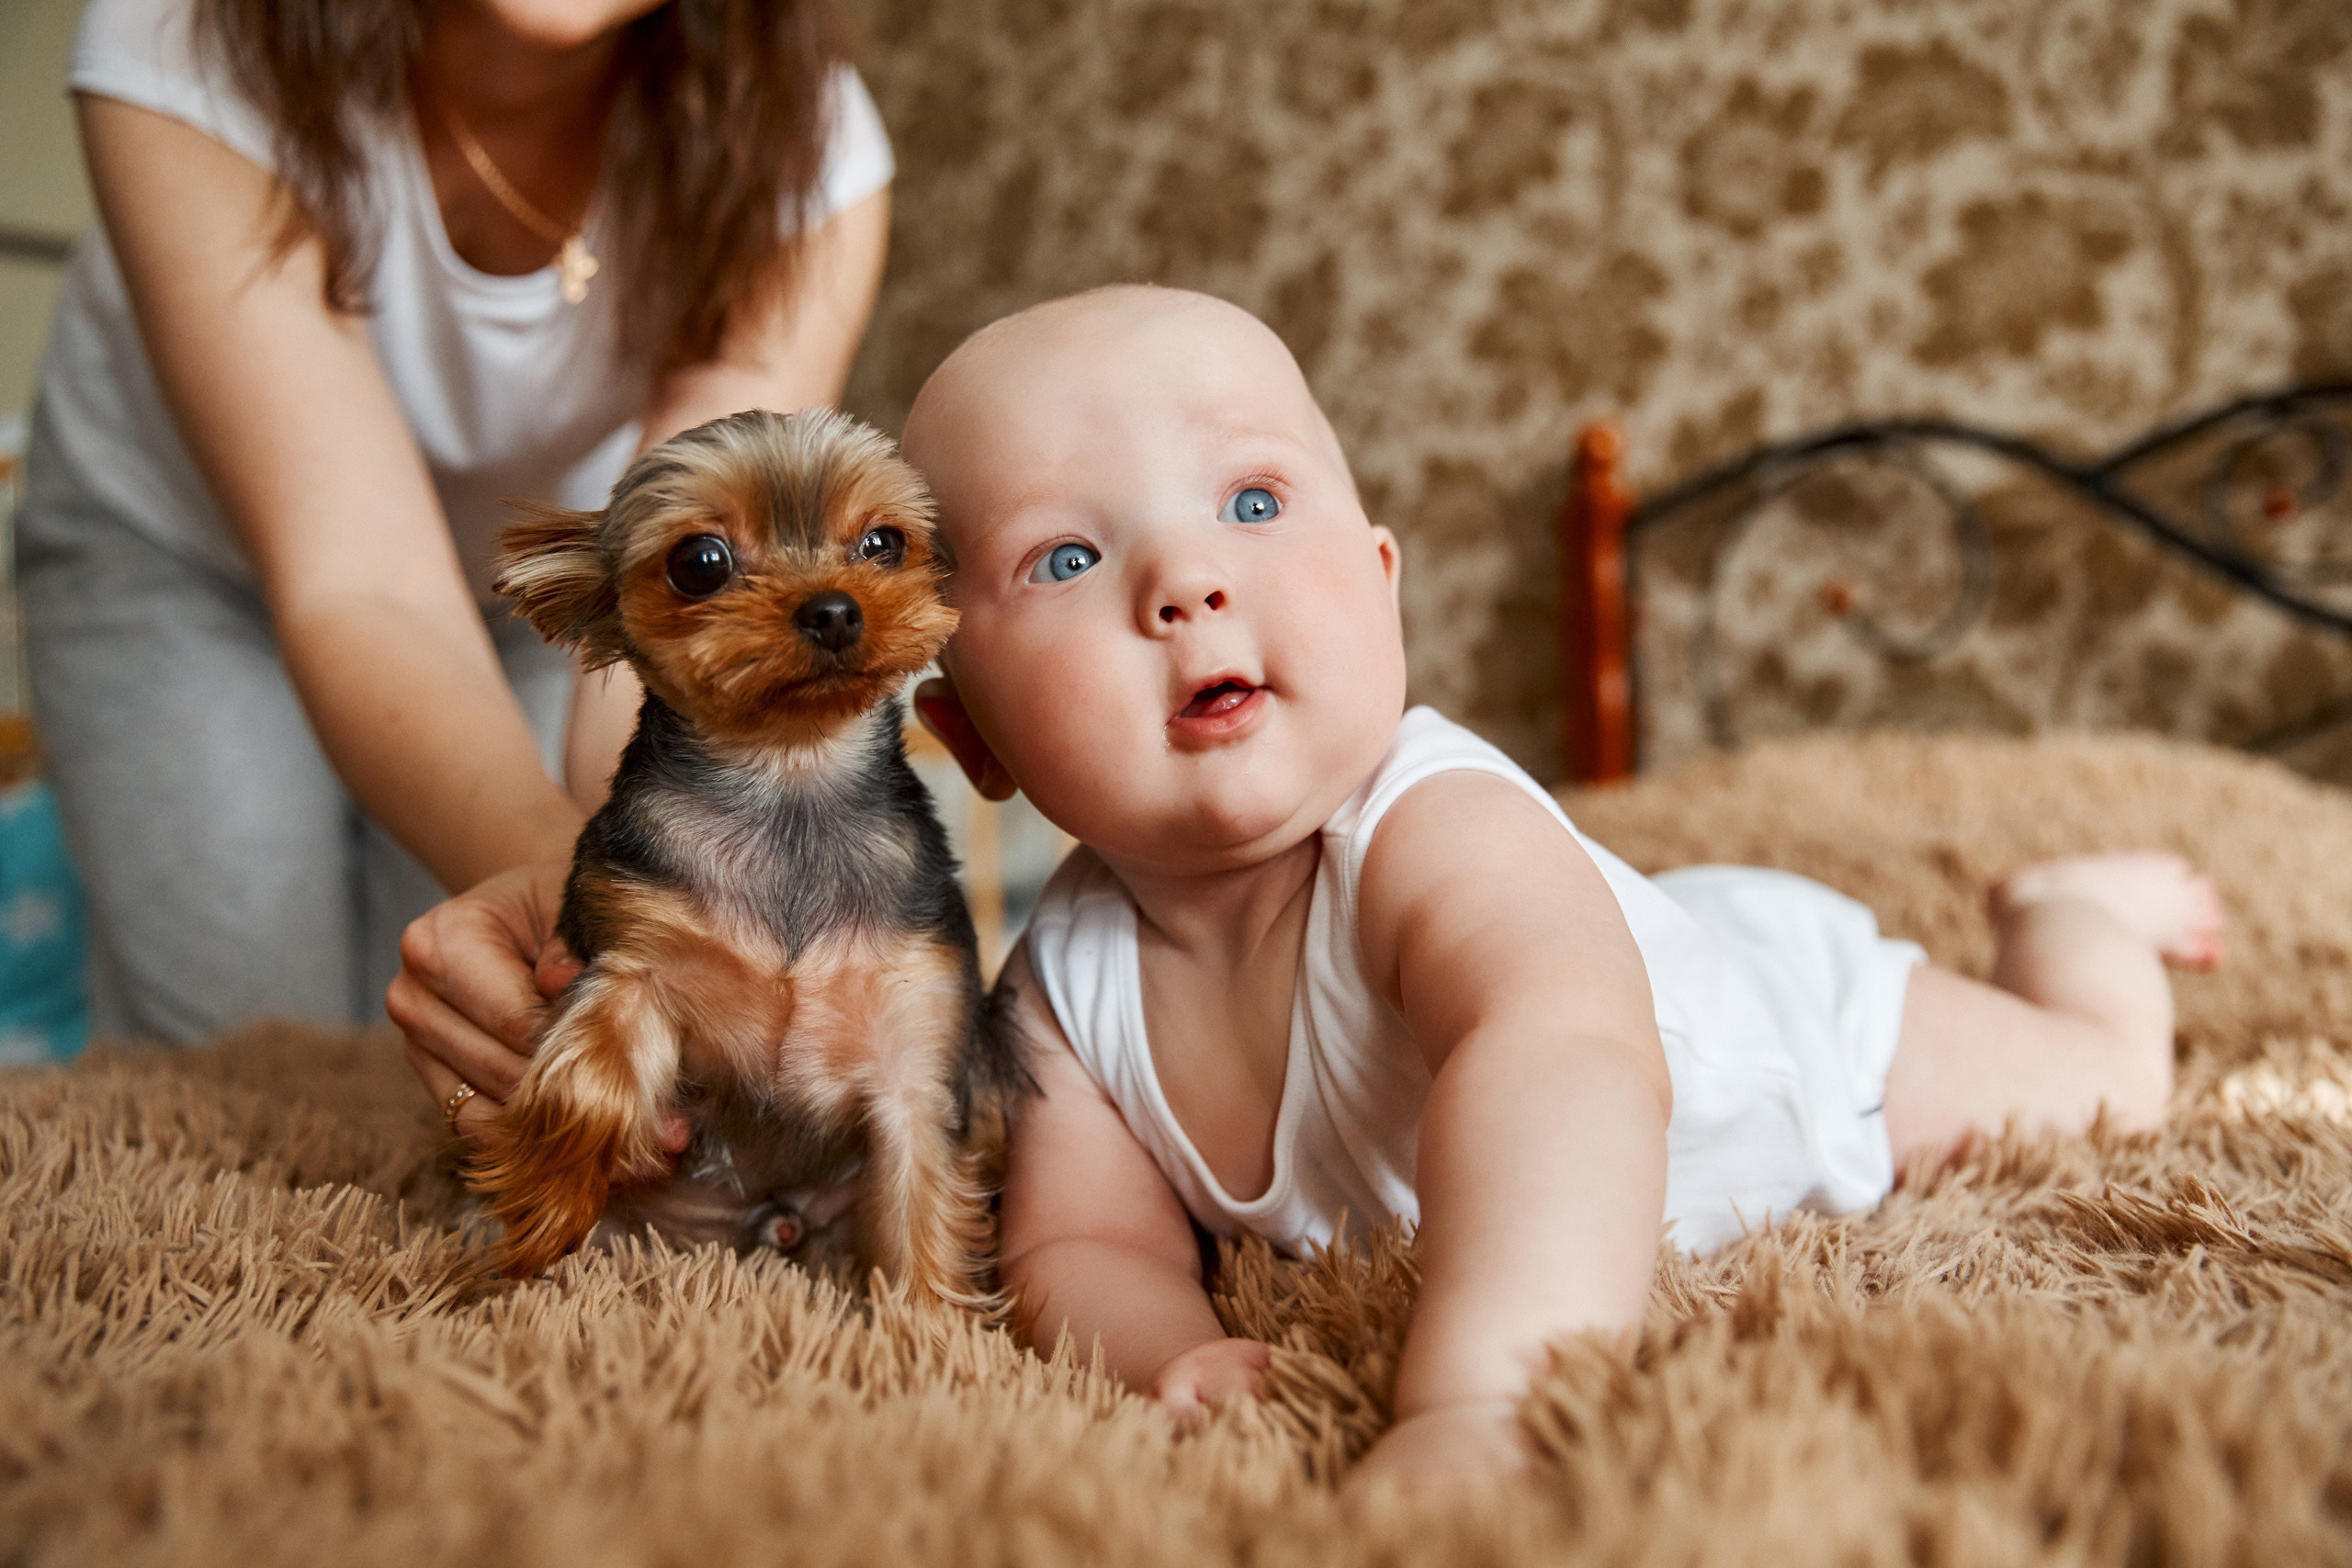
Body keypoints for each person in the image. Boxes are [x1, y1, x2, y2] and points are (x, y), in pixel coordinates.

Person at [394, 287, 2221, 1492]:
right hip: (1661, 956)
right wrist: (1169, 1348)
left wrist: (1481, 1396)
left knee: (2102, 1079)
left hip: (1788, 1031)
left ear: (1379, 574)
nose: (1184, 578)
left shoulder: (1429, 834)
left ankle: (2076, 915)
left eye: (1251, 507)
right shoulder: (1065, 980)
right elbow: (1074, 1244)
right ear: (971, 735)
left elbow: (1564, 1059)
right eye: (1066, 552)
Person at [17, 0, 892, 1044]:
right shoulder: (179, 32)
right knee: (255, 1042)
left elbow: (694, 600)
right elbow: (362, 578)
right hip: (176, 553)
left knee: (471, 1027)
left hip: (535, 592)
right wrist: (573, 882)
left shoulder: (815, 156)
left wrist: (643, 876)